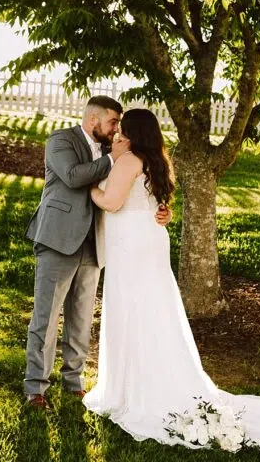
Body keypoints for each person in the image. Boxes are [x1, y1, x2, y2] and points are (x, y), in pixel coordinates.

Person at [84, 108, 260, 451]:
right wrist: (163, 212)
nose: (119, 134)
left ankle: (130, 390)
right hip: (151, 240)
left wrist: (90, 187)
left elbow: (110, 203)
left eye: (124, 129)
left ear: (135, 133)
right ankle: (154, 375)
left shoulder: (128, 160)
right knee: (153, 309)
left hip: (131, 244)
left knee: (131, 309)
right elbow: (157, 204)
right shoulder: (157, 160)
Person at [23, 96, 172, 409]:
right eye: (112, 122)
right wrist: (112, 159)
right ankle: (36, 388)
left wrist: (159, 211)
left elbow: (132, 188)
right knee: (46, 318)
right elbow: (73, 176)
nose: (117, 129)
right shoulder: (60, 141)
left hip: (95, 243)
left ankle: (73, 382)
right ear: (94, 120)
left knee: (81, 318)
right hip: (59, 239)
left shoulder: (112, 150)